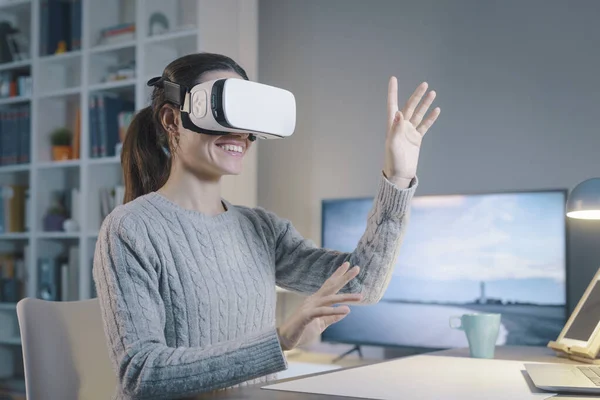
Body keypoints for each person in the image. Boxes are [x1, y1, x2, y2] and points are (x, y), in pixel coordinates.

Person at [92, 52, 440, 400]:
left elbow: (363, 283)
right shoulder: (130, 228)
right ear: (172, 119)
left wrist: (398, 177)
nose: (240, 131)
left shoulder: (261, 228)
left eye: (246, 115)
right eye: (223, 110)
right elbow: (141, 373)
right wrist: (280, 340)